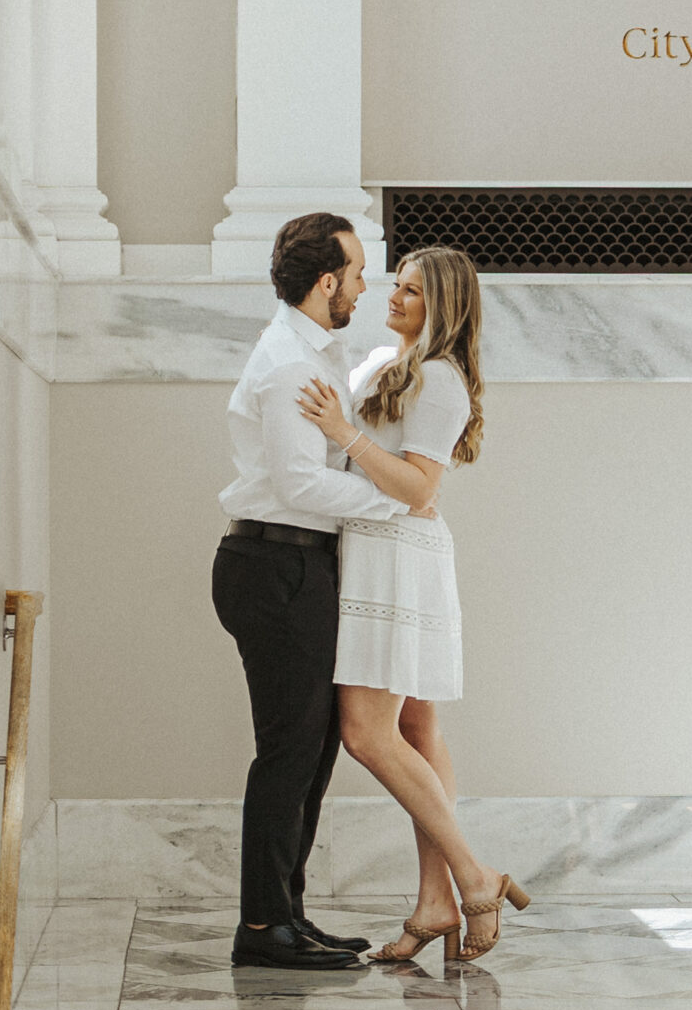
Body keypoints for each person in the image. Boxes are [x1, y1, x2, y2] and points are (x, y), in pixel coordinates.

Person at [295, 247, 528, 962]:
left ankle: (473, 875)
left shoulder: (442, 380)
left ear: (446, 306)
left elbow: (420, 487)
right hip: (374, 552)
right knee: (420, 729)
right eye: (394, 284)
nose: (393, 297)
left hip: (395, 562)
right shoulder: (382, 363)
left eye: (413, 291)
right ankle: (435, 902)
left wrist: (343, 433)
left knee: (367, 732)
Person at [212, 213, 418, 971]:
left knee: (315, 746)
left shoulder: (314, 353)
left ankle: (288, 912)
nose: (366, 287)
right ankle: (264, 927)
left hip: (296, 565)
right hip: (275, 566)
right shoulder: (291, 365)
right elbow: (299, 483)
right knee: (289, 750)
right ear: (326, 281)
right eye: (359, 273)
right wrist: (397, 500)